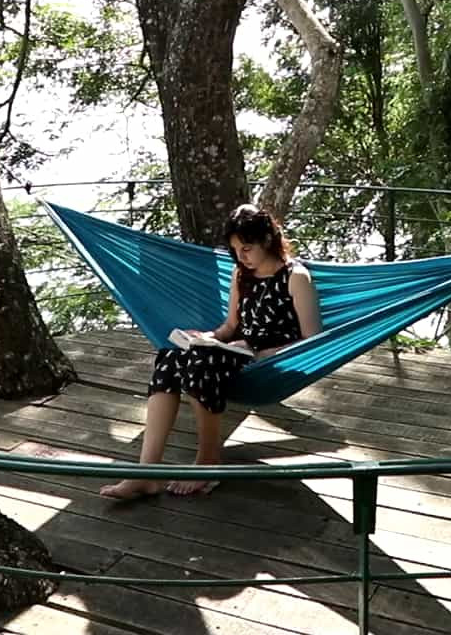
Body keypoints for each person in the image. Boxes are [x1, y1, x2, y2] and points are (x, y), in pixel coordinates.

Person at [99, 203, 322, 499]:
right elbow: (230, 326)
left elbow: (312, 339)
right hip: (236, 354)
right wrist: (205, 336)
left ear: (267, 240)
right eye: (235, 251)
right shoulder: (240, 274)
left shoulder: (296, 277)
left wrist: (265, 354)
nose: (241, 257)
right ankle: (146, 473)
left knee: (203, 363)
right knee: (171, 357)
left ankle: (207, 464)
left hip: (275, 362)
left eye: (247, 249)